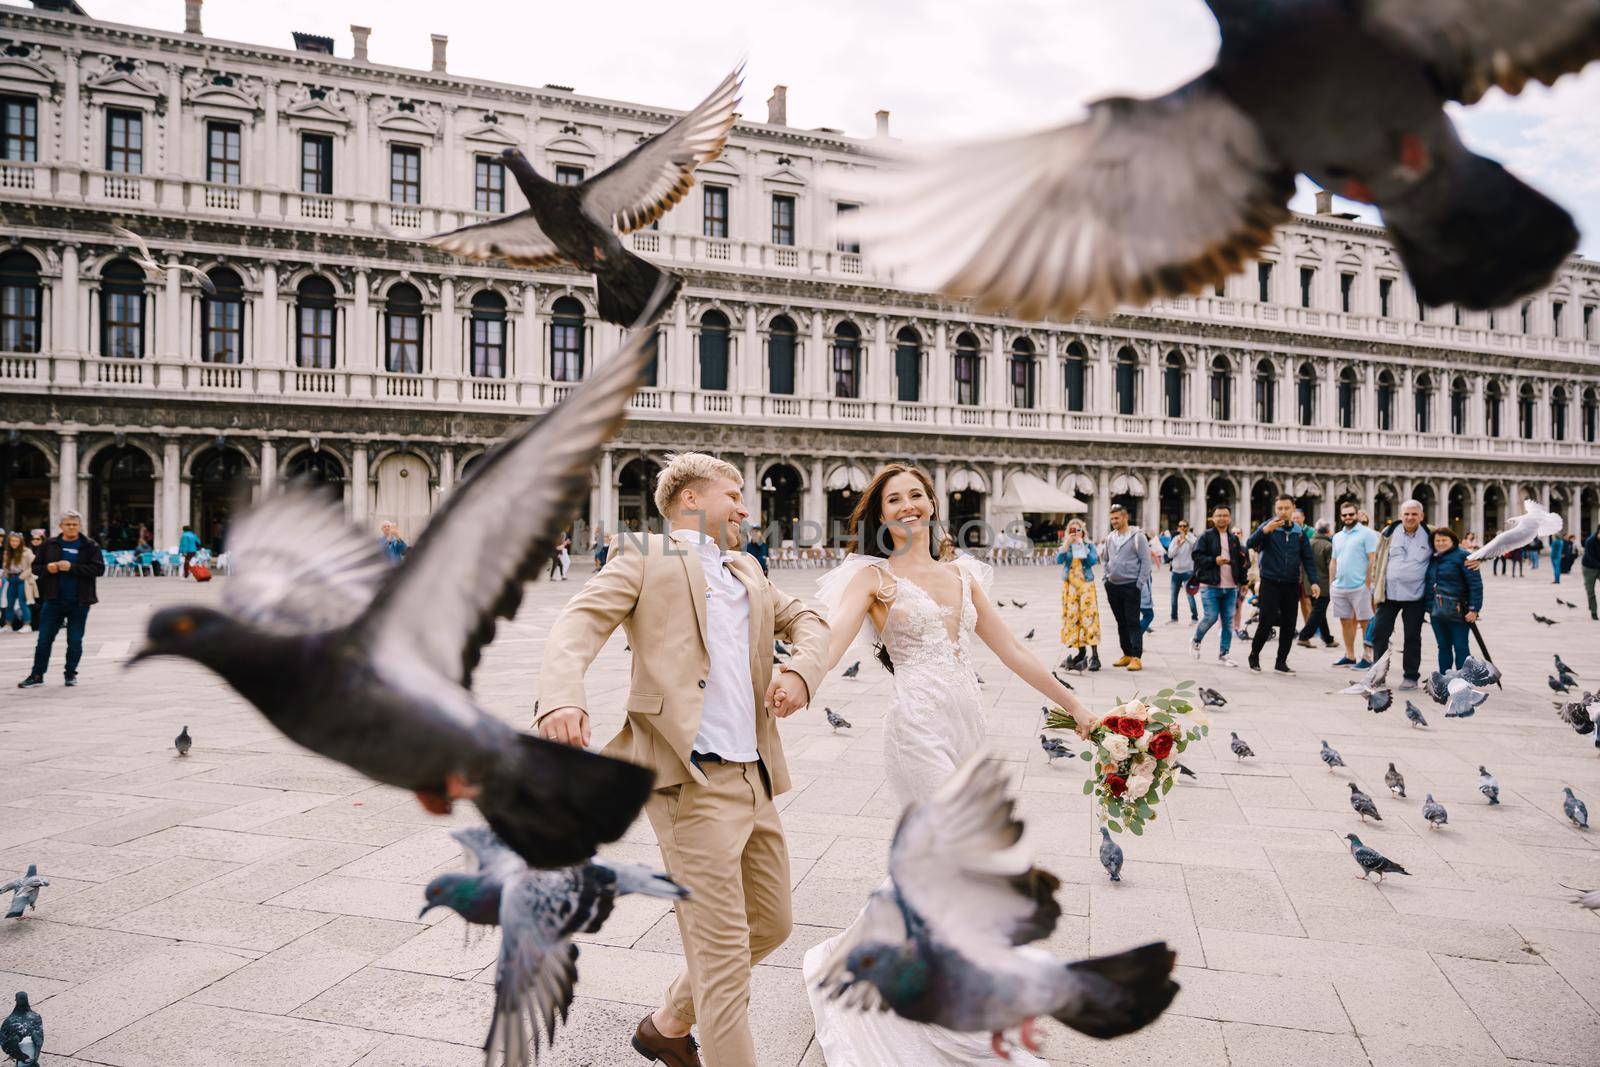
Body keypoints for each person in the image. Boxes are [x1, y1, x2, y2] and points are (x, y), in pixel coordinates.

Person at [536, 453, 828, 1067]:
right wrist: (562, 695)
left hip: (756, 778)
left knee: (771, 924)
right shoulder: (648, 553)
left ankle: (667, 1024)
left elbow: (808, 619)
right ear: (691, 499)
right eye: (734, 494)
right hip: (689, 780)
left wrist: (800, 669)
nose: (746, 507)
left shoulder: (746, 567)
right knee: (722, 961)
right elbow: (578, 622)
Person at [805, 463, 1084, 1067]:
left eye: (916, 495)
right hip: (916, 727)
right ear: (880, 515)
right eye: (893, 500)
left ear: (932, 503)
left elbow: (1011, 649)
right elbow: (830, 645)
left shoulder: (962, 572)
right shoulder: (872, 578)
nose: (907, 506)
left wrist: (1076, 706)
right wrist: (794, 681)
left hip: (968, 726)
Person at [18, 510, 104, 689]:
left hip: (79, 600)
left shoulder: (90, 545)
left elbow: (98, 569)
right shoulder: (50, 544)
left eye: (74, 524)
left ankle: (70, 673)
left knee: (74, 640)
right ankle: (37, 674)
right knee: (44, 639)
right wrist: (48, 568)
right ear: (61, 526)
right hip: (53, 599)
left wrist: (73, 567)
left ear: (80, 526)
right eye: (68, 524)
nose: (71, 527)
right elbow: (36, 568)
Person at [1246, 495, 1319, 675]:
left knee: (1289, 623)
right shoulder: (1268, 527)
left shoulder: (1299, 532)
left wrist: (1315, 581)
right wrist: (1263, 531)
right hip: (1270, 582)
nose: (1283, 512)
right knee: (1266, 621)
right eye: (1279, 508)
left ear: (1293, 508)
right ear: (1275, 509)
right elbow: (1249, 543)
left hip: (1291, 584)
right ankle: (1254, 655)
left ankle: (1281, 662)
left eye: (1286, 508)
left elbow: (1308, 559)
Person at [1369, 500, 1433, 690]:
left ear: (1421, 516)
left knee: (1412, 636)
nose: (1410, 517)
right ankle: (1378, 674)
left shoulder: (1431, 535)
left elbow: (1450, 548)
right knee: (1379, 633)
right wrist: (1374, 588)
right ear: (1400, 515)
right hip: (1389, 593)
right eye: (1406, 514)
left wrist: (1472, 561)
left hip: (1416, 596)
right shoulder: (1388, 533)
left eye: (1414, 514)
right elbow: (1379, 560)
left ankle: (1411, 676)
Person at [1191, 504, 1248, 666]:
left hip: (1230, 587)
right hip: (1210, 585)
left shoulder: (1234, 539)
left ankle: (1224, 653)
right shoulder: (1206, 537)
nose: (1222, 518)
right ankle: (1196, 640)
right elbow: (1197, 557)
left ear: (1229, 518)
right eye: (1218, 515)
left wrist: (1243, 582)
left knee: (1228, 622)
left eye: (1225, 515)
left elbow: (1240, 562)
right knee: (1210, 617)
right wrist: (1213, 560)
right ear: (1213, 518)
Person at [1100, 504, 1151, 671]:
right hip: (1113, 586)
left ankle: (1137, 657)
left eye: (1117, 518)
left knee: (1133, 622)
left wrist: (1139, 583)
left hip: (1131, 586)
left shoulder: (1138, 537)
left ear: (1125, 517)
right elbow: (1105, 559)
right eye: (1112, 518)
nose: (1114, 521)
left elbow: (1146, 562)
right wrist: (1106, 578)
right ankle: (1127, 654)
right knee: (1120, 622)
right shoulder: (1110, 538)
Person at [1329, 502, 1380, 668]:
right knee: (1345, 621)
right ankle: (1349, 655)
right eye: (1344, 515)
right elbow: (1334, 560)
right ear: (1340, 516)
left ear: (1357, 515)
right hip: (1340, 586)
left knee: (1365, 621)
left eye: (1351, 514)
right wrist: (1332, 583)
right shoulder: (1337, 536)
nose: (1348, 517)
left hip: (1360, 586)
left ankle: (1367, 657)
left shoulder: (1368, 534)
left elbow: (1373, 558)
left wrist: (1367, 583)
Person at [1426, 527, 1482, 672]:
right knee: (1443, 646)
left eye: (1444, 540)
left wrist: (1474, 609)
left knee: (1461, 645)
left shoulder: (1464, 557)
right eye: (1437, 540)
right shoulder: (1433, 557)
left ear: (1453, 540)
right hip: (1437, 611)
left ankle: (1464, 680)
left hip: (1459, 610)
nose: (1440, 543)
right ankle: (1445, 677)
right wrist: (1428, 607)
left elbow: (1475, 584)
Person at [1056, 518, 1101, 672]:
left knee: (1089, 617)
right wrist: (1067, 545)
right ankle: (1081, 652)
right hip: (1070, 587)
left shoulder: (1088, 545)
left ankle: (1095, 655)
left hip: (1086, 585)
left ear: (1083, 531)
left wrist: (1082, 545)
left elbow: (1093, 561)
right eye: (1071, 530)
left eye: (1077, 530)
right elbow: (1058, 560)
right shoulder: (1067, 547)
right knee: (1074, 619)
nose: (1074, 533)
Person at [1297, 520, 1335, 649]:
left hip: (1309, 583)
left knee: (1319, 611)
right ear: (1328, 531)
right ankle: (1304, 636)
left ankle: (1328, 638)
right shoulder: (1328, 546)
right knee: (1318, 612)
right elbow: (1330, 567)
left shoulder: (1309, 542)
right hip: (1324, 584)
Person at [1164, 519, 1198, 624]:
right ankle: (1174, 618)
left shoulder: (1192, 538)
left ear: (1187, 527)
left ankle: (1194, 618)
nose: (1182, 528)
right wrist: (1178, 544)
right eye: (1180, 526)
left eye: (1184, 526)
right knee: (1173, 596)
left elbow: (1195, 548)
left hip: (1188, 571)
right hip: (1176, 572)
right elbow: (1170, 555)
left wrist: (1186, 538)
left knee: (1190, 595)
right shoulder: (1175, 539)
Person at [2, 531, 35, 631]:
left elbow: (32, 566)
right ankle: (8, 625)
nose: (14, 543)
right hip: (11, 579)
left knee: (22, 602)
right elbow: (5, 566)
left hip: (22, 579)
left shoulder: (27, 552)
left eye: (16, 541)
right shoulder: (7, 552)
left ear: (20, 542)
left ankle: (27, 624)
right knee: (10, 603)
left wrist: (22, 577)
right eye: (12, 541)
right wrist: (6, 575)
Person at [1581, 528, 1599, 620]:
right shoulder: (1590, 541)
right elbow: (1590, 557)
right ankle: (1593, 611)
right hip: (1589, 568)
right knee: (1590, 591)